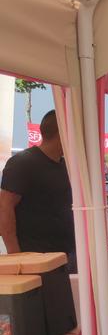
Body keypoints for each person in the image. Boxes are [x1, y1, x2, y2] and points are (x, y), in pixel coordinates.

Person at [0, 110, 76, 271]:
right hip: (36, 259)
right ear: (63, 132)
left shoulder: (66, 165)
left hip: (66, 255)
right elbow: (5, 208)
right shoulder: (23, 163)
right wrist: (15, 256)